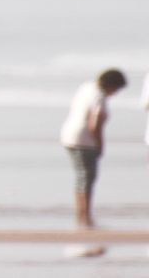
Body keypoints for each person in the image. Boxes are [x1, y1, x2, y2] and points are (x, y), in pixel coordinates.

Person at [60, 68, 127, 228]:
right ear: (111, 85)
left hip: (68, 135)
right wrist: (99, 143)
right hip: (84, 139)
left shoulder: (86, 87)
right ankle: (85, 213)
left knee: (81, 176)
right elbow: (95, 123)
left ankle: (82, 211)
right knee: (88, 177)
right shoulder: (99, 96)